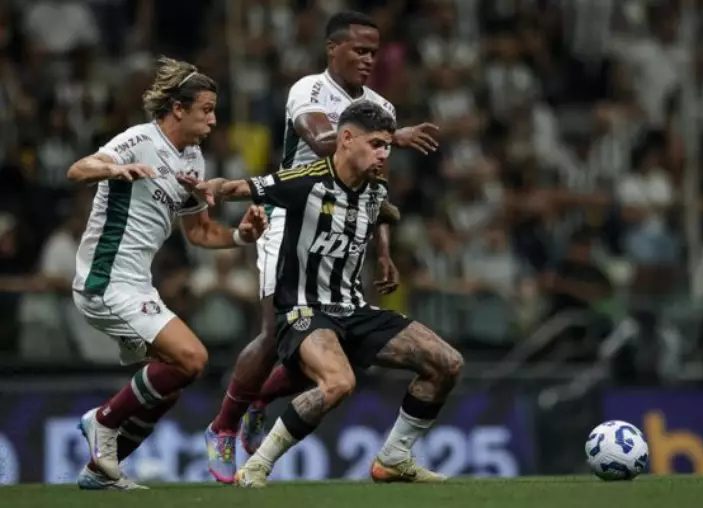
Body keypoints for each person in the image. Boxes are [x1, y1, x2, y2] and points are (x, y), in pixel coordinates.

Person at [204, 10, 441, 483]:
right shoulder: (309, 91)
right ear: (333, 49)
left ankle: (260, 400)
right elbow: (320, 142)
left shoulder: (380, 107)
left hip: (343, 224)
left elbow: (377, 184)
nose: (369, 60)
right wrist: (393, 136)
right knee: (276, 331)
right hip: (292, 212)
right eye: (360, 50)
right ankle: (224, 426)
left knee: (332, 334)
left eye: (374, 52)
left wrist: (383, 249)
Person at [66, 56, 267, 490]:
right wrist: (114, 169)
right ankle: (102, 421)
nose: (213, 120)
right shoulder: (139, 139)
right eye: (206, 110)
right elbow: (78, 169)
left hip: (137, 285)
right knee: (192, 358)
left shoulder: (192, 160)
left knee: (169, 385)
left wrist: (242, 236)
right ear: (178, 108)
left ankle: (101, 470)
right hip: (105, 280)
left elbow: (200, 232)